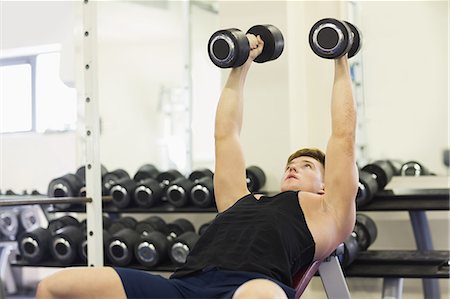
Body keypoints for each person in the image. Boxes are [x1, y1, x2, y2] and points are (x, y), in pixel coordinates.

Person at [36, 32, 358, 299]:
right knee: (54, 287)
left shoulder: (328, 212)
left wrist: (339, 58)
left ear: (326, 184)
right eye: (291, 163)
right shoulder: (238, 200)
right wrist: (240, 64)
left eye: (306, 166)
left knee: (263, 296)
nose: (293, 168)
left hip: (247, 289)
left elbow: (343, 137)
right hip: (183, 287)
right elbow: (225, 135)